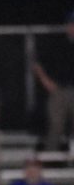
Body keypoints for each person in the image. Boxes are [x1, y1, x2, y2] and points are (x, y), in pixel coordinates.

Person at [33, 10, 74, 151]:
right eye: (72, 24)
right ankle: (50, 162)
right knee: (56, 126)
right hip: (59, 91)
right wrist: (46, 82)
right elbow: (37, 63)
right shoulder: (57, 44)